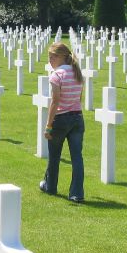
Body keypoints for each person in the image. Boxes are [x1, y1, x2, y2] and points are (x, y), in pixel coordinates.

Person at [39, 42, 85, 203]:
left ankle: (50, 186)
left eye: (53, 56)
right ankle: (76, 194)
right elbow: (78, 98)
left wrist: (48, 126)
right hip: (78, 118)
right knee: (77, 157)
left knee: (54, 155)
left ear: (63, 57)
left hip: (61, 119)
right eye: (49, 56)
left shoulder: (56, 75)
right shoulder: (77, 72)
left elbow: (55, 101)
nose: (50, 59)